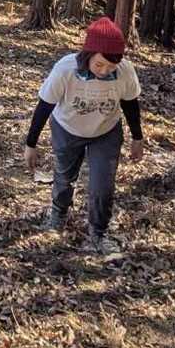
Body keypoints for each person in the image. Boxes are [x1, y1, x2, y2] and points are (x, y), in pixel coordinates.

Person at [24, 16, 145, 255]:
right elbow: (45, 105)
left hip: (106, 131)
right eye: (99, 65)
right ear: (88, 54)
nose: (104, 71)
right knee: (64, 176)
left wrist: (137, 138)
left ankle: (98, 232)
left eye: (111, 67)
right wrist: (31, 143)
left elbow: (131, 104)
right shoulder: (65, 69)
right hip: (67, 128)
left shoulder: (125, 72)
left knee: (102, 185)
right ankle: (58, 215)